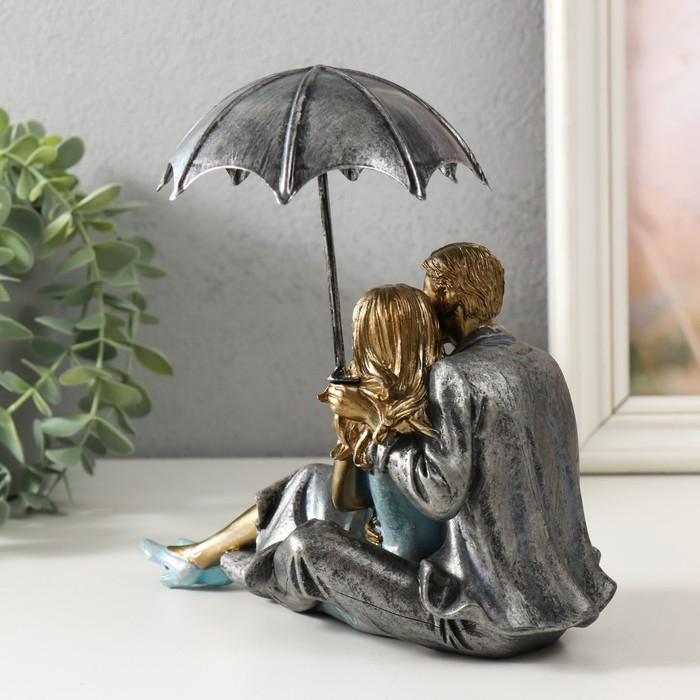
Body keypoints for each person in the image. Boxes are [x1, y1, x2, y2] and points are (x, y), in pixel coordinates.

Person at [142, 243, 616, 657]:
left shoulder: (454, 375)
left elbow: (440, 495)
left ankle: (245, 569)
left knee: (310, 549)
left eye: (429, 291)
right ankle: (207, 555)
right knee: (310, 485)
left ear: (450, 296)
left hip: (481, 619)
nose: (424, 304)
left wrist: (373, 421)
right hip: (559, 614)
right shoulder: (542, 363)